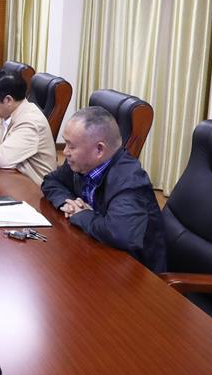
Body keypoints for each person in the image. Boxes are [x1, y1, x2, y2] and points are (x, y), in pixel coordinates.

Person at [41, 106, 166, 272]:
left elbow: (120, 234)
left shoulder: (130, 180)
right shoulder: (81, 162)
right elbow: (51, 181)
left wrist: (81, 214)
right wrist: (68, 204)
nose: (65, 152)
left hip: (136, 272)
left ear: (99, 149)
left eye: (71, 146)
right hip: (97, 251)